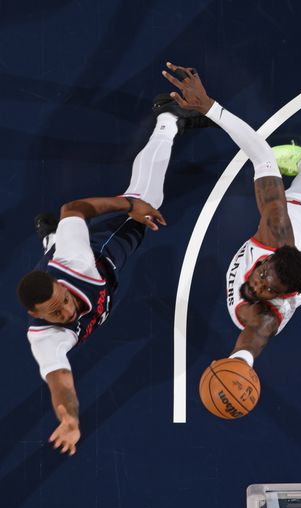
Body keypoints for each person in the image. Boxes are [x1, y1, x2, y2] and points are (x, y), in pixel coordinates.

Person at [16, 83, 215, 455]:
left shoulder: (76, 262)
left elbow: (73, 210)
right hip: (66, 254)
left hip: (100, 257)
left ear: (60, 285)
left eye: (62, 301)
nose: (67, 311)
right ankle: (49, 239)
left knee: (147, 198)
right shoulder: (44, 337)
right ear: (36, 315)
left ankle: (167, 118)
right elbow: (61, 382)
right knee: (59, 241)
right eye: (56, 312)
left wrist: (128, 205)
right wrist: (69, 418)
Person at [160, 62, 301, 376]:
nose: (256, 283)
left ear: (280, 295)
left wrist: (239, 364)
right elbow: (263, 156)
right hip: (299, 230)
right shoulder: (277, 230)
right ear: (271, 257)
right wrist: (210, 107)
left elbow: (253, 339)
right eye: (263, 274)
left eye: (267, 287)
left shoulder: (268, 313)